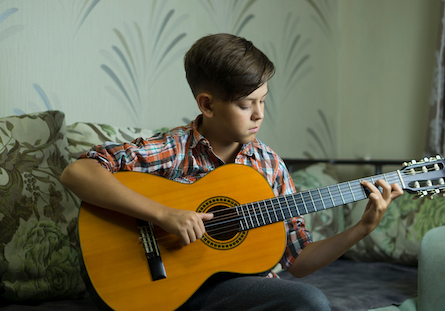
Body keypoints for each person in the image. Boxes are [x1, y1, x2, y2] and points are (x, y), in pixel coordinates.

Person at [61, 33, 403, 311]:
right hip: (154, 286)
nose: (259, 114)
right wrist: (164, 214)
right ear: (207, 104)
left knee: (309, 302)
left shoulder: (269, 165)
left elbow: (297, 260)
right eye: (245, 104)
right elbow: (77, 173)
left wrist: (363, 227)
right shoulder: (172, 148)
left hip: (233, 291)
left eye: (263, 100)